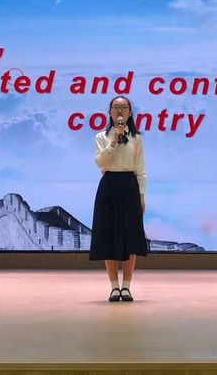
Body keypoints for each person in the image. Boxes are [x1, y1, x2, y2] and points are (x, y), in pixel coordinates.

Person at [89, 96, 148, 302]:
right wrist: (114, 141)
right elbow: (100, 162)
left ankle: (127, 287)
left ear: (130, 113)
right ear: (110, 112)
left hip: (129, 186)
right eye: (116, 107)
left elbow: (140, 169)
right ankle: (114, 286)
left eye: (124, 107)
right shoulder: (101, 137)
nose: (120, 111)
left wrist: (141, 195)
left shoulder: (136, 139)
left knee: (130, 236)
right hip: (109, 185)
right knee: (108, 235)